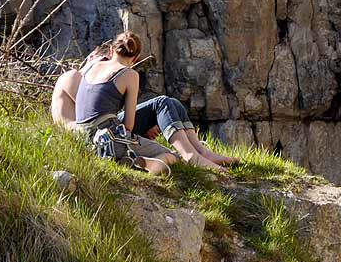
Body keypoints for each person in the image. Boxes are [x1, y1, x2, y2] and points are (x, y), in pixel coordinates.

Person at [68, 32, 237, 173]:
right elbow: (128, 125)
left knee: (170, 103)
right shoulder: (129, 75)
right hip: (108, 138)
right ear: (135, 58)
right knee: (173, 155)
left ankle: (201, 152)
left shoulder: (92, 65)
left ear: (111, 50)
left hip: (83, 134)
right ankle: (188, 155)